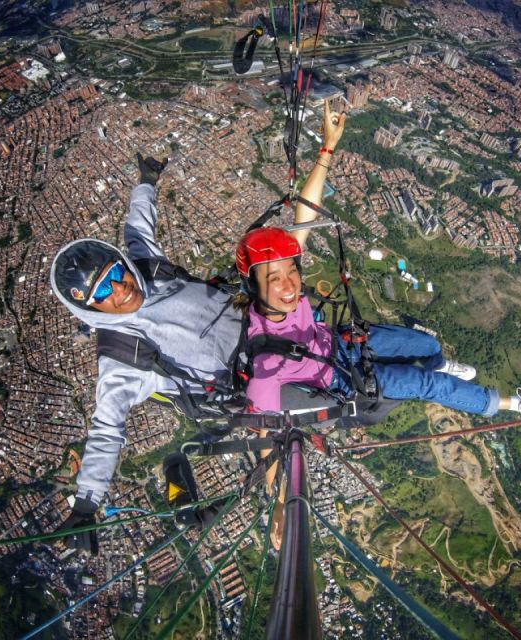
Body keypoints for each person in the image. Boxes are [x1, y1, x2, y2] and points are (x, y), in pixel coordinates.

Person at [49, 101, 350, 554]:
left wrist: (147, 182)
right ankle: (280, 513)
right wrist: (88, 502)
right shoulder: (121, 354)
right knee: (279, 429)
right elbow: (107, 426)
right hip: (235, 379)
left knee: (286, 275)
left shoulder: (146, 267)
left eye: (116, 272)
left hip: (250, 323)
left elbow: (137, 226)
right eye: (102, 293)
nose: (119, 287)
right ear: (88, 310)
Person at [236, 225, 521, 418]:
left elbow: (301, 227)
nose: (290, 284)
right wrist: (283, 503)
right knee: (428, 385)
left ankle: (440, 363)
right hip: (344, 378)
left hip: (341, 340)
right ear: (253, 285)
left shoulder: (282, 294)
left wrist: (327, 148)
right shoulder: (267, 361)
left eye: (292, 270)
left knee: (426, 344)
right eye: (274, 278)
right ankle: (518, 404)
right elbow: (264, 429)